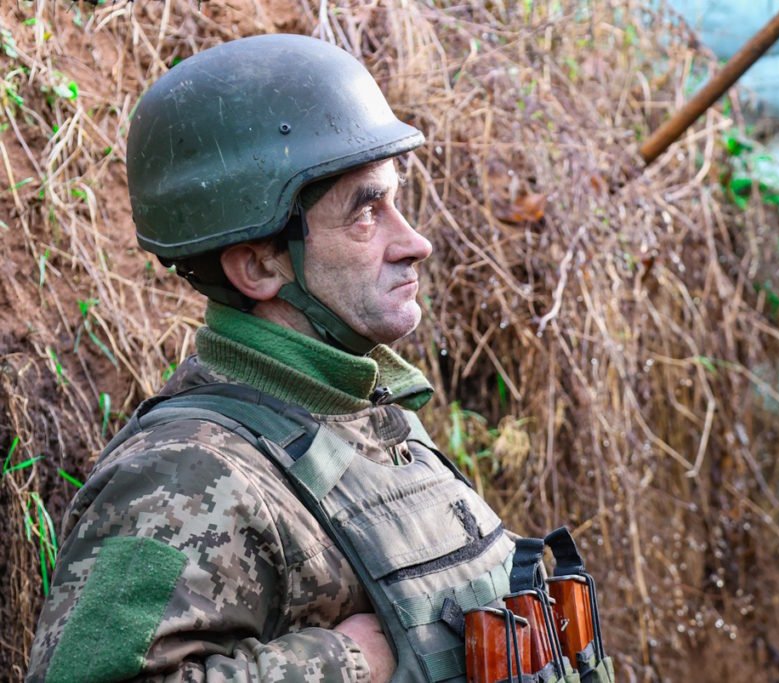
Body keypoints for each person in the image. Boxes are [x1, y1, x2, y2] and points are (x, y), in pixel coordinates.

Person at [27, 34, 515, 683]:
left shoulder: (370, 416)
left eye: (396, 202)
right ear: (258, 266)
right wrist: (345, 663)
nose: (415, 242)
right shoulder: (180, 473)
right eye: (367, 213)